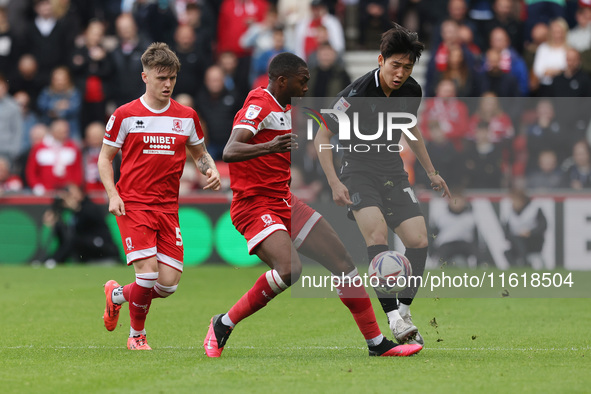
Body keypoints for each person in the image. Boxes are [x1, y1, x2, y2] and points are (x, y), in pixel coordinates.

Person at [203, 52, 422, 358]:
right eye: (302, 81)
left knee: (344, 263)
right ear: (283, 81)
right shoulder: (259, 105)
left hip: (283, 201)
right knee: (290, 269)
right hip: (254, 205)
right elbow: (229, 150)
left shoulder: (283, 107)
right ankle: (222, 324)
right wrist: (269, 146)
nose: (306, 88)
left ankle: (376, 343)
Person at [314, 24, 451, 345]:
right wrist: (334, 182)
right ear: (380, 60)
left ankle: (403, 311)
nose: (401, 73)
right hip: (357, 170)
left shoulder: (412, 91)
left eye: (407, 66)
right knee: (377, 236)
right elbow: (322, 135)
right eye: (395, 65)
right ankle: (392, 320)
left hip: (393, 169)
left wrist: (431, 171)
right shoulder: (355, 95)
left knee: (418, 241)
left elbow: (410, 128)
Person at [98, 42, 221, 351]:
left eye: (172, 78)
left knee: (167, 285)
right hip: (134, 204)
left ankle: (116, 296)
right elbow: (104, 158)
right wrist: (113, 194)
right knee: (148, 274)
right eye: (161, 78)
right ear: (145, 77)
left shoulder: (186, 117)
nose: (167, 84)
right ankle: (136, 335)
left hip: (167, 207)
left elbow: (199, 153)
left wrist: (210, 169)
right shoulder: (125, 115)